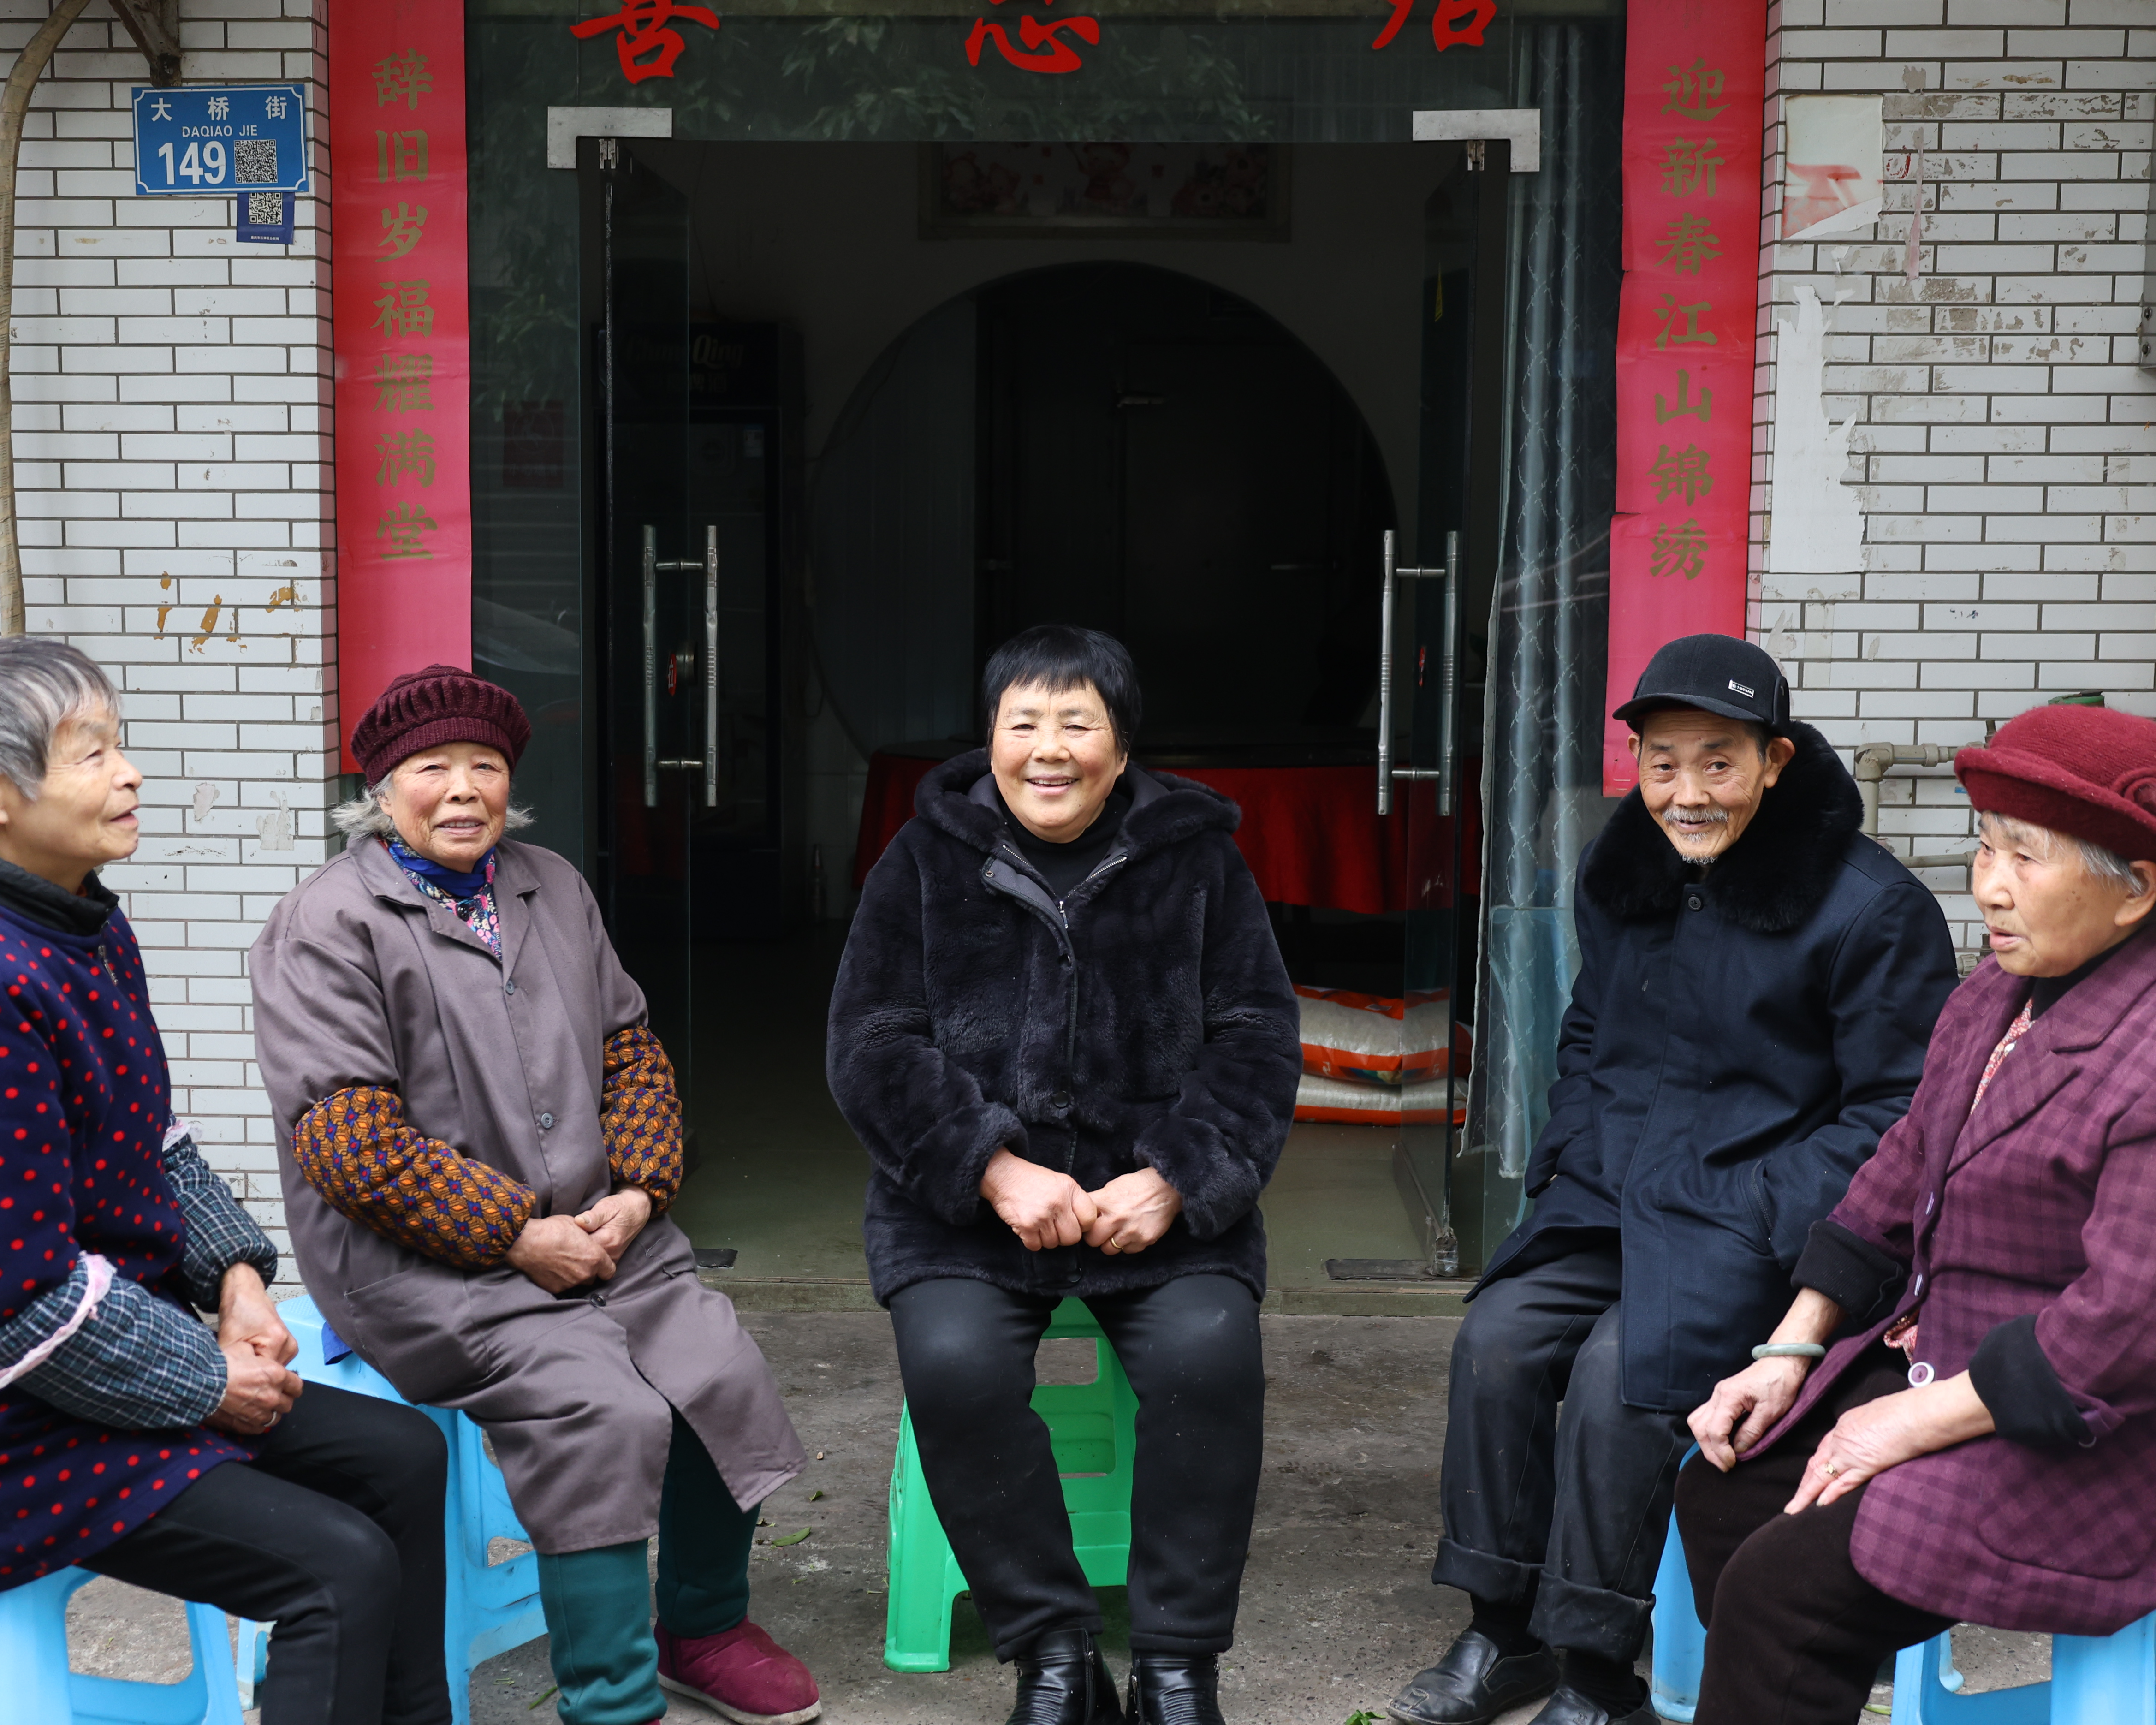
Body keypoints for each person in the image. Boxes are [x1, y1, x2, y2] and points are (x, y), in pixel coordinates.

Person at [0, 636, 453, 1725]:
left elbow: (153, 1137)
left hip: (110, 1373)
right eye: (91, 752)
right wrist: (208, 1379)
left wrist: (241, 1281)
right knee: (336, 1568)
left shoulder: (78, 919)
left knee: (401, 1455)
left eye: (123, 743)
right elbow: (19, 1307)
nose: (131, 772)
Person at [1672, 703, 2156, 1725]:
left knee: (1783, 1592)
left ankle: (1800, 1655)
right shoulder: (2005, 987)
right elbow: (1902, 1165)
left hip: (2106, 1440)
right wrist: (1787, 1350)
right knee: (1721, 1488)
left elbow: (2120, 1342)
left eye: (2026, 856)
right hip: (1953, 1360)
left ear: (2136, 887)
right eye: (1985, 844)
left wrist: (1900, 1420)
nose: (1988, 885)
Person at [1390, 635, 1958, 1725]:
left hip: (1754, 1223)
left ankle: (1598, 1676)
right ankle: (1500, 1629)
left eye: (1718, 761)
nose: (1686, 792)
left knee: (1622, 1379)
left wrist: (1751, 1204)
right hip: (1613, 1194)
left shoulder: (1869, 909)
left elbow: (1900, 1114)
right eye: (1662, 763)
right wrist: (1569, 1154)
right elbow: (1592, 1028)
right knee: (1497, 1341)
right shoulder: (1629, 867)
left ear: (1776, 759)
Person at [251, 664, 819, 1725]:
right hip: (425, 1261)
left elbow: (629, 1047)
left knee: (719, 1367)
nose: (464, 789)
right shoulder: (327, 922)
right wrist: (518, 1232)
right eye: (433, 769)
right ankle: (610, 1694)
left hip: (601, 1230)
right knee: (594, 1406)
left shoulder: (550, 883)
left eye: (486, 767)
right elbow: (347, 1140)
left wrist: (642, 1191)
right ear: (381, 792)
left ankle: (703, 1625)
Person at [827, 625, 1301, 1725]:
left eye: (1077, 723)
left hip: (1158, 1202)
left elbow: (1257, 1035)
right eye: (1023, 722)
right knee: (953, 1366)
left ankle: (1179, 1663)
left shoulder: (1198, 860)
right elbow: (873, 1042)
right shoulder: (922, 858)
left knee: (1209, 1357)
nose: (1049, 749)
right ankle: (1052, 1653)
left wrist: (1178, 1176)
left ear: (1122, 747)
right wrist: (989, 1166)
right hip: (969, 1208)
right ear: (989, 739)